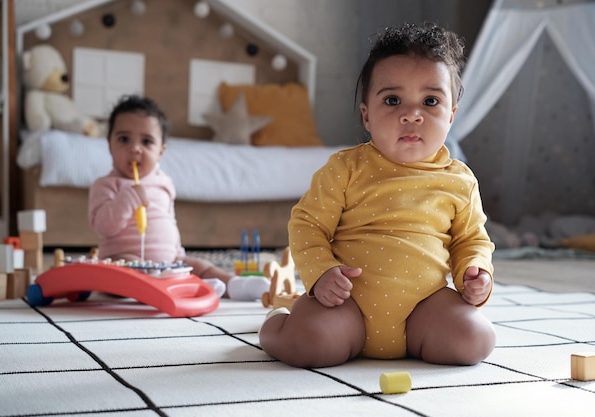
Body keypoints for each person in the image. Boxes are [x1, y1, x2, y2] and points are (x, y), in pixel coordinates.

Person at [259, 23, 496, 368]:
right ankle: (276, 323)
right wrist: (321, 272)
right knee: (309, 344)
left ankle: (423, 341)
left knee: (475, 338)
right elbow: (308, 224)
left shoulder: (459, 180)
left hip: (424, 307)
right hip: (346, 305)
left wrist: (476, 273)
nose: (412, 114)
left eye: (431, 101)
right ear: (367, 116)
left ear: (451, 116)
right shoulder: (346, 168)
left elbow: (471, 239)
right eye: (392, 100)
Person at [88, 95, 269, 300]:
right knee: (128, 265)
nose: (135, 148)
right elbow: (103, 226)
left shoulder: (164, 183)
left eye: (147, 141)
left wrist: (177, 252)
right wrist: (127, 199)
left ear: (161, 152)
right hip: (121, 260)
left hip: (168, 261)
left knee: (200, 265)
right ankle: (186, 286)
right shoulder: (105, 185)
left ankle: (234, 285)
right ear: (109, 144)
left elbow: (169, 222)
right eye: (124, 139)